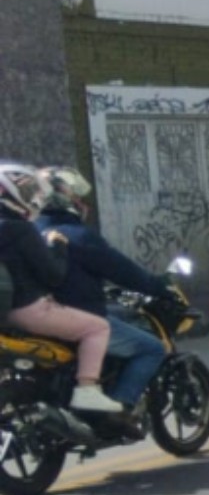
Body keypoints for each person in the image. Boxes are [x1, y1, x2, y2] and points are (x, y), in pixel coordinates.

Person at [35, 166, 177, 430]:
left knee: (117, 316)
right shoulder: (76, 235)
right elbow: (122, 270)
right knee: (151, 348)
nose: (82, 202)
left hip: (35, 316)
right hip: (76, 315)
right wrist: (158, 286)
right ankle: (121, 407)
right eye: (77, 196)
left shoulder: (28, 232)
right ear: (66, 199)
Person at [0, 163, 122, 413]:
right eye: (28, 191)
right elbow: (53, 275)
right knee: (98, 328)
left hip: (6, 313)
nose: (34, 197)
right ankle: (87, 389)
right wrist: (58, 245)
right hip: (29, 309)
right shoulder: (21, 229)